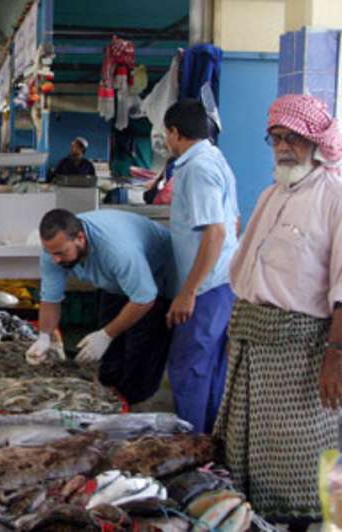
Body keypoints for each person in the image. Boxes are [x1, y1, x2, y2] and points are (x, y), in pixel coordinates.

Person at [213, 94, 342, 528]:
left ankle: (313, 523)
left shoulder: (334, 197)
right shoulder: (272, 193)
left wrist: (335, 356)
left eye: (294, 139)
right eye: (276, 138)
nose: (284, 147)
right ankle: (257, 521)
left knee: (302, 455)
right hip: (252, 339)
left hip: (302, 352)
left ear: (317, 142)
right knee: (246, 450)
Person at [27, 209, 174, 405]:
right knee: (109, 364)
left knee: (139, 362)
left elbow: (145, 298)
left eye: (61, 253)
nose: (55, 259)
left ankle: (130, 412)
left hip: (156, 281)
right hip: (114, 283)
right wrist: (44, 336)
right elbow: (50, 299)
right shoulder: (54, 251)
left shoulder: (117, 250)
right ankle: (109, 401)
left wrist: (106, 335)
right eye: (51, 253)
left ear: (80, 238)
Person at [163, 99, 239, 434]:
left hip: (206, 288)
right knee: (210, 370)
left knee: (190, 368)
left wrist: (188, 292)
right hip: (222, 282)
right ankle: (210, 446)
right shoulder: (214, 157)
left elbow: (217, 231)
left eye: (166, 134)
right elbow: (233, 222)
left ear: (175, 133)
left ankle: (192, 448)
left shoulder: (197, 169)